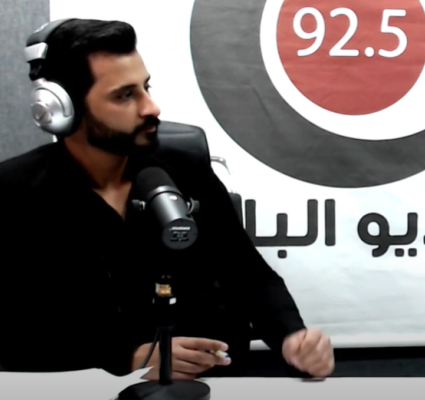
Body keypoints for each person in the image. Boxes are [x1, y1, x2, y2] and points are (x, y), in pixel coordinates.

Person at [0, 18, 334, 380]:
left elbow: (248, 273)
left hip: (212, 384)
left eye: (145, 87)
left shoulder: (184, 169)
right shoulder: (14, 193)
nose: (151, 107)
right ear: (62, 109)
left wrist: (291, 336)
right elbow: (15, 334)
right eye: (125, 95)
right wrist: (128, 358)